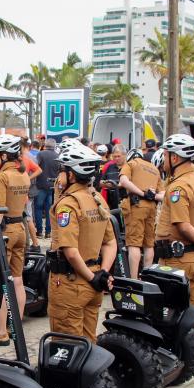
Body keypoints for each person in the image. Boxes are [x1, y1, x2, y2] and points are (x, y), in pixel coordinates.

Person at [47, 139, 116, 341]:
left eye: (62, 170)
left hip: (72, 283)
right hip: (94, 281)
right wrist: (102, 273)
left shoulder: (68, 204)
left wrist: (91, 277)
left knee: (68, 346)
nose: (58, 175)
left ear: (71, 174)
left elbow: (70, 251)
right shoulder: (97, 199)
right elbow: (110, 242)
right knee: (88, 341)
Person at [0, 134, 31, 347]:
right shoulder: (23, 175)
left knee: (2, 282)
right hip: (21, 228)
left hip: (6, 230)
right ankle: (15, 327)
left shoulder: (1, 178)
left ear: (3, 155)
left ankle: (1, 332)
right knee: (18, 280)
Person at [154, 134, 194, 306]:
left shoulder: (178, 187)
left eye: (165, 156)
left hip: (176, 259)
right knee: (191, 306)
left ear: (174, 157)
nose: (164, 160)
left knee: (172, 310)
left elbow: (182, 225)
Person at [119, 145, 164, 278]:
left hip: (136, 205)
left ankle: (134, 279)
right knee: (149, 244)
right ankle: (148, 276)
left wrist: (142, 193)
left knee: (134, 243)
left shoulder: (130, 164)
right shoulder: (154, 168)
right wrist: (152, 196)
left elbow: (123, 181)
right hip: (152, 208)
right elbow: (163, 194)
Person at [35, 138, 59, 239]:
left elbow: (35, 166)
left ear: (45, 145)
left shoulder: (41, 154)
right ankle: (48, 232)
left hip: (41, 185)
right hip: (53, 186)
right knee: (49, 209)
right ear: (54, 146)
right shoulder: (58, 155)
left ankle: (39, 231)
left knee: (38, 208)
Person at [99, 144, 125, 211]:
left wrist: (114, 185)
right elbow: (101, 182)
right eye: (114, 156)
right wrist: (111, 185)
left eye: (119, 156)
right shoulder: (109, 167)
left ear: (125, 155)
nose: (116, 158)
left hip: (125, 203)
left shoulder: (129, 167)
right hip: (111, 204)